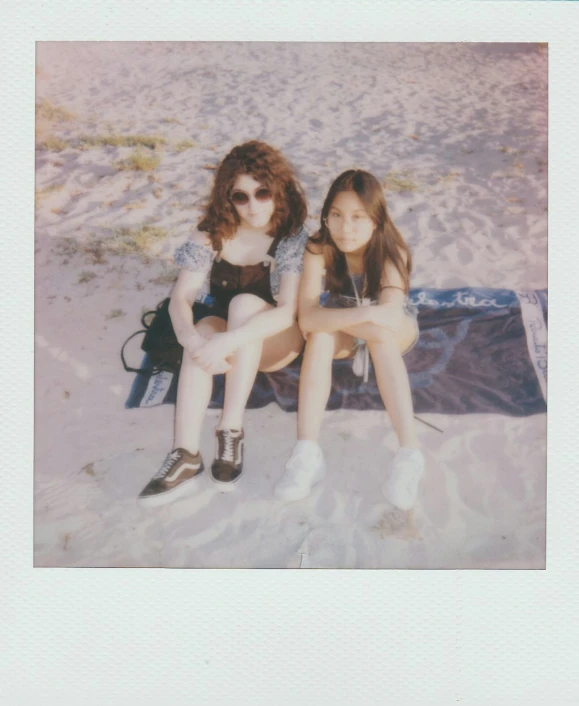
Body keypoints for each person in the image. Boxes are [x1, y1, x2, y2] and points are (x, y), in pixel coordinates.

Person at [138, 141, 308, 508]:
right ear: (227, 198)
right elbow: (182, 297)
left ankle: (231, 428)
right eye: (240, 197)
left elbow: (286, 311)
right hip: (231, 335)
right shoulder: (211, 233)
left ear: (277, 189)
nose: (253, 206)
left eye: (263, 193)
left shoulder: (291, 234)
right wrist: (194, 342)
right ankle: (186, 453)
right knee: (199, 331)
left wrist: (225, 344)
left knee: (246, 304)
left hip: (277, 338)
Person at [274, 169, 424, 510]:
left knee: (379, 338)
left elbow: (387, 317)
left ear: (376, 219)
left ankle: (410, 454)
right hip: (346, 316)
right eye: (337, 216)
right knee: (321, 339)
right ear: (325, 216)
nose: (346, 228)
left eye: (358, 217)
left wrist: (347, 319)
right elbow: (308, 317)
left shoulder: (391, 250)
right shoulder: (318, 247)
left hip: (394, 327)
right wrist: (357, 316)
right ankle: (306, 454)